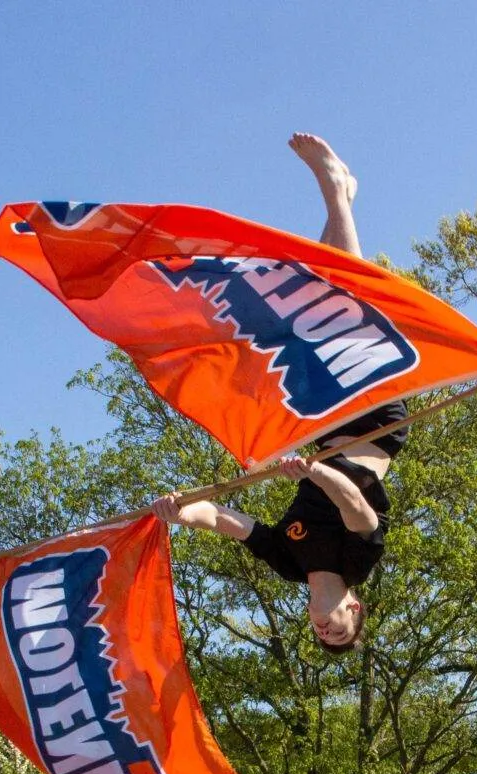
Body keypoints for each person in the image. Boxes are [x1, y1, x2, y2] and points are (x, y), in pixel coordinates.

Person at [150, 134, 408, 654]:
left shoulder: (292, 565)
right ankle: (336, 190)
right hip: (371, 424)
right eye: (339, 630)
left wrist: (180, 511)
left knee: (309, 305)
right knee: (340, 306)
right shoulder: (358, 561)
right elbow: (357, 505)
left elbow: (231, 522)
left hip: (316, 425)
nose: (325, 630)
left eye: (321, 636)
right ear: (354, 607)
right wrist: (317, 472)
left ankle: (342, 197)